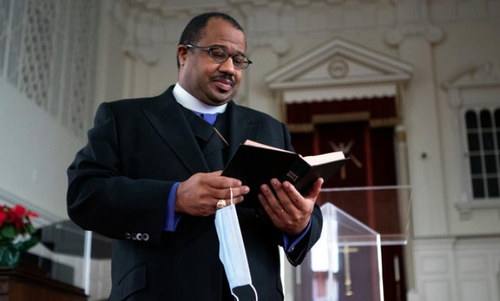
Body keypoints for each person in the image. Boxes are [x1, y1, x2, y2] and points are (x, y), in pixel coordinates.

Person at [67, 12, 323, 301]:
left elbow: (307, 213)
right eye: (218, 53)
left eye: (239, 60)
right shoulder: (124, 119)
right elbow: (83, 196)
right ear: (183, 54)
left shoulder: (270, 129)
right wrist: (174, 198)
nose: (230, 69)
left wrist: (300, 224)